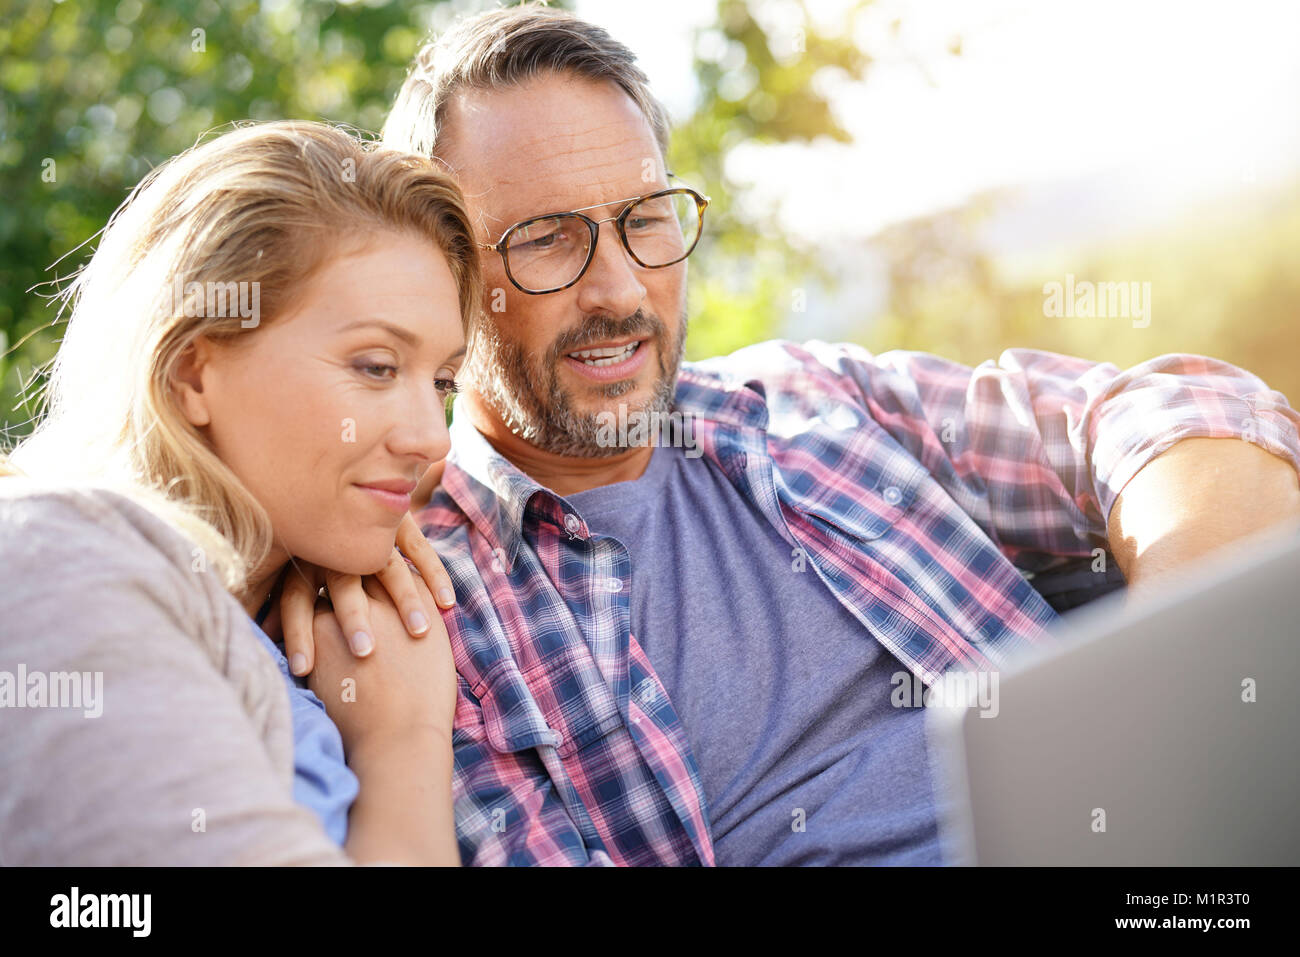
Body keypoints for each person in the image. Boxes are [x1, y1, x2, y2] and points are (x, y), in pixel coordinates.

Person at [286, 3, 1300, 866]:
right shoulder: (422, 596)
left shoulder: (811, 399)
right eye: (548, 239)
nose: (620, 290)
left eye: (645, 218)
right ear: (448, 275)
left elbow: (1184, 412)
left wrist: (1176, 707)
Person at [0, 121, 479, 865]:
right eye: (377, 366)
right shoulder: (56, 559)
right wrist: (402, 743)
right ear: (194, 372)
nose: (432, 438)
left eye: (443, 382)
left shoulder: (311, 636)